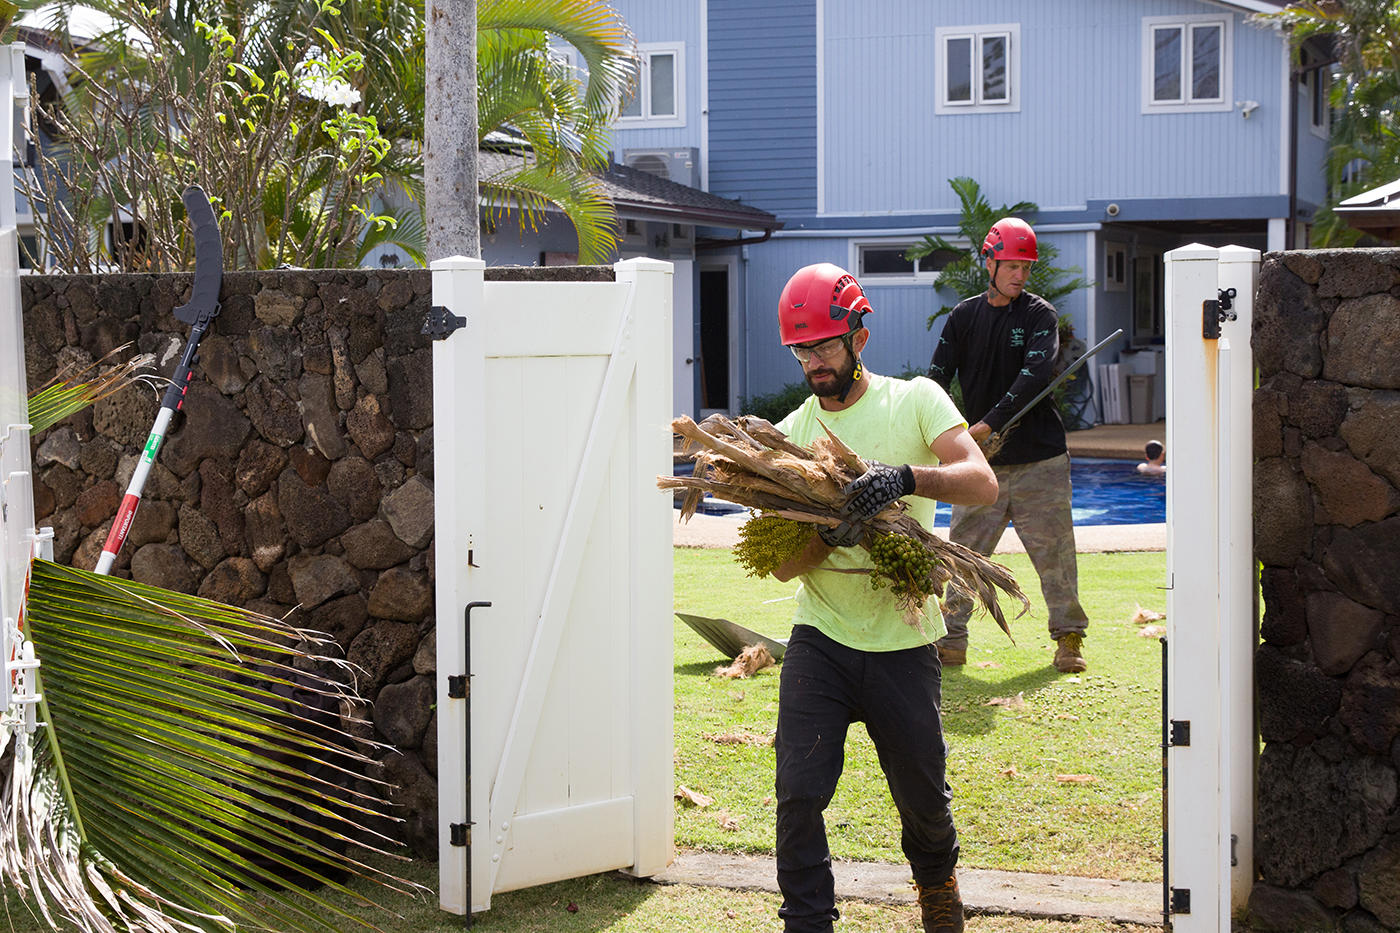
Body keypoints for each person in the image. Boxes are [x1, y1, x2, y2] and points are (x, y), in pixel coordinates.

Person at [769, 262, 998, 933]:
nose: (814, 361)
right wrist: (826, 538)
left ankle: (937, 885)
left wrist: (904, 476)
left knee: (923, 798)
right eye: (801, 349)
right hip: (822, 638)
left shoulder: (915, 401)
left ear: (858, 336)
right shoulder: (792, 436)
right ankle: (806, 921)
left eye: (825, 345)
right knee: (798, 793)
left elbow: (980, 481)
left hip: (903, 638)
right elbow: (784, 569)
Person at [927, 217, 1090, 674]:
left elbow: (1036, 374)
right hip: (980, 464)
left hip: (1041, 459)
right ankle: (951, 641)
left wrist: (988, 423)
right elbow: (936, 380)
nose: (1020, 274)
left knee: (1055, 554)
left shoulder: (1040, 316)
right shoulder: (962, 317)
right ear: (990, 262)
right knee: (964, 554)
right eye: (1012, 265)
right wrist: (932, 427)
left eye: (1026, 267)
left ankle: (1069, 638)